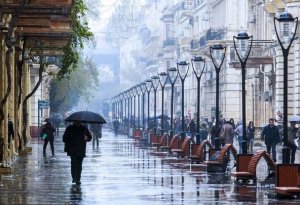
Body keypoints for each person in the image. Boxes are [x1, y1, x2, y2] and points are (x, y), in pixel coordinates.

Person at [63, 121, 92, 185]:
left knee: (79, 165)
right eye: (76, 121)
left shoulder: (84, 128)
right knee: (73, 164)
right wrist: (70, 140)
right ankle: (74, 178)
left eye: (79, 121)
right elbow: (64, 138)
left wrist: (87, 138)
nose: (78, 122)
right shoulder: (69, 128)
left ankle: (78, 179)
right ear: (74, 121)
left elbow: (90, 138)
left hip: (81, 149)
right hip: (72, 149)